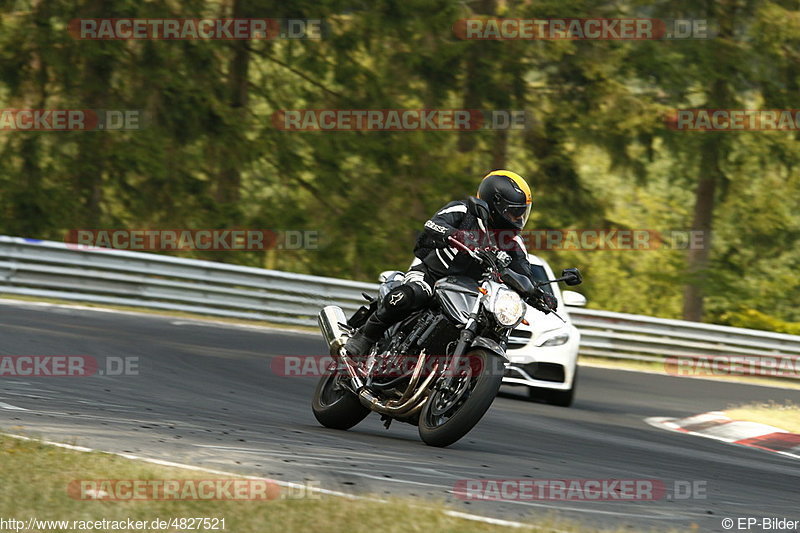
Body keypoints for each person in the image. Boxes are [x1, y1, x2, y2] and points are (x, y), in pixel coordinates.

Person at [344, 170, 556, 356]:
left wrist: (542, 295)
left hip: (468, 292)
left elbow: (524, 273)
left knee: (489, 324)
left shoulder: (514, 242)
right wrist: (457, 235)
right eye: (512, 211)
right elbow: (433, 225)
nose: (517, 218)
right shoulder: (463, 212)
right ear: (494, 203)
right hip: (431, 274)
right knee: (410, 295)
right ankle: (365, 337)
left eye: (521, 213)